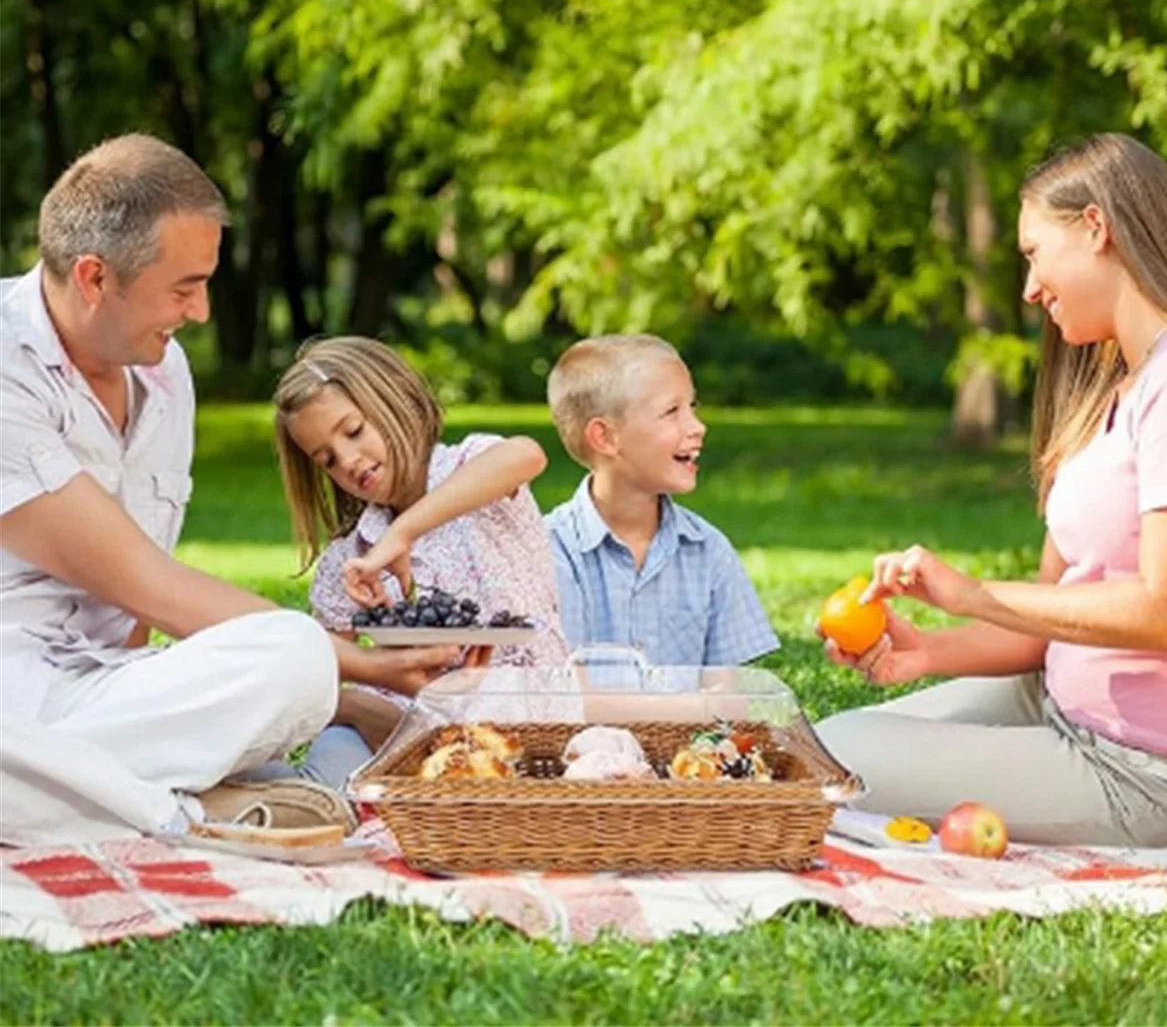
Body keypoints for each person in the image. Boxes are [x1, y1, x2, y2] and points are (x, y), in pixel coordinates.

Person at [0, 134, 458, 844]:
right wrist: (365, 672)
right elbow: (146, 582)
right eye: (184, 288)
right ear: (94, 277)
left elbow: (132, 618)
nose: (203, 312)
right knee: (305, 654)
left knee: (286, 657)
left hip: (100, 694)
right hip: (13, 697)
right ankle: (171, 807)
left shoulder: (162, 372)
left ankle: (116, 791)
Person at [817, 133, 1167, 847]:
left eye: (1032, 253)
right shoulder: (1116, 388)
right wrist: (925, 650)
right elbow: (1056, 612)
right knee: (819, 745)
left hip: (1140, 768)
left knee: (828, 767)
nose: (1028, 289)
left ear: (1095, 227)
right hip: (1054, 702)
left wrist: (971, 592)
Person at [251, 336, 570, 789]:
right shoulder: (350, 560)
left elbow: (525, 455)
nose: (349, 461)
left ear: (396, 397)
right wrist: (364, 709)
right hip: (396, 738)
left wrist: (403, 533)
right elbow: (318, 680)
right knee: (324, 777)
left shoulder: (473, 471)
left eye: (355, 430)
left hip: (527, 727)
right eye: (327, 460)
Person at [545, 334, 779, 667]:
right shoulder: (549, 551)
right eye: (672, 411)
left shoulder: (709, 550)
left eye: (692, 407)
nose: (698, 426)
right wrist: (691, 707)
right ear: (605, 437)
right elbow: (565, 700)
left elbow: (729, 699)